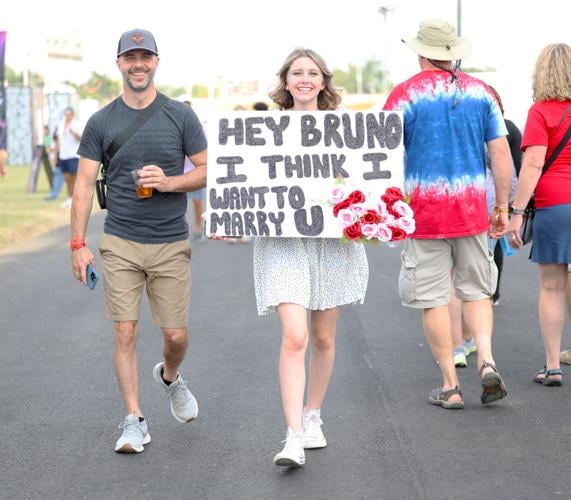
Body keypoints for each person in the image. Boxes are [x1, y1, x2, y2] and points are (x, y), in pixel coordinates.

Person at [70, 28, 208, 453]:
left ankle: (169, 376)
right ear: (119, 64)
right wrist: (78, 244)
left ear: (156, 62)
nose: (138, 64)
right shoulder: (101, 121)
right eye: (130, 58)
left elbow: (207, 170)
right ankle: (134, 420)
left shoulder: (180, 116)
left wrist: (169, 182)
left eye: (144, 57)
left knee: (176, 336)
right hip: (121, 241)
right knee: (125, 330)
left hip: (170, 241)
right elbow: (83, 185)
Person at [383, 19, 512, 409]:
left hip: (423, 213)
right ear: (453, 53)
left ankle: (450, 386)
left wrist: (386, 210)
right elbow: (501, 155)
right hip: (472, 209)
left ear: (421, 53)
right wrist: (502, 206)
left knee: (434, 299)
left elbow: (381, 156)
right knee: (477, 291)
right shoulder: (481, 93)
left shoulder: (404, 95)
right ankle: (486, 362)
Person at [255, 48, 368, 467]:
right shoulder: (264, 130)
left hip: (331, 243)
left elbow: (365, 180)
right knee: (295, 336)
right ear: (286, 82)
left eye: (313, 73)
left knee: (322, 337)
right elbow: (247, 183)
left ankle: (314, 414)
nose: (305, 79)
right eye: (297, 73)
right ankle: (293, 435)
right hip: (284, 241)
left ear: (324, 82)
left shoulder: (348, 129)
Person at [508, 43, 571, 386]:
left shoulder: (541, 112)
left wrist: (516, 212)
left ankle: (552, 366)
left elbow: (532, 164)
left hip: (556, 205)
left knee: (552, 287)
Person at [182, 100, 206, 240]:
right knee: (176, 204)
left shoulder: (199, 126)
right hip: (177, 172)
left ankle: (198, 225)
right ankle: (179, 229)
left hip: (195, 171)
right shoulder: (174, 126)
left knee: (197, 201)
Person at [52, 107, 82, 208]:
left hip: (73, 155)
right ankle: (70, 199)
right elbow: (57, 140)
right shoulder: (60, 125)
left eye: (69, 114)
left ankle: (75, 200)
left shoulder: (76, 124)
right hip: (63, 155)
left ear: (72, 115)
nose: (67, 116)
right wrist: (56, 154)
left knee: (74, 178)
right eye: (66, 114)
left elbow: (80, 138)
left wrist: (73, 132)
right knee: (67, 178)